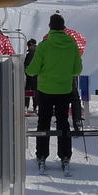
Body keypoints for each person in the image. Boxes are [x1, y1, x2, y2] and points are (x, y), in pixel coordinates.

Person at [25, 13, 82, 174]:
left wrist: (29, 70)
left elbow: (33, 69)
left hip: (45, 90)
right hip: (64, 89)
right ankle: (65, 155)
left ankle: (42, 155)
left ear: (50, 27)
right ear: (63, 27)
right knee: (63, 122)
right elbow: (77, 69)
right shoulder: (72, 44)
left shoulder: (44, 46)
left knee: (43, 122)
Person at [23, 38, 38, 115]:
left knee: (28, 92)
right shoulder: (39, 51)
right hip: (38, 76)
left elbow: (26, 65)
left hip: (30, 75)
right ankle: (36, 107)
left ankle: (26, 106)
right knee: (36, 91)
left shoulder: (30, 53)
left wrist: (26, 71)